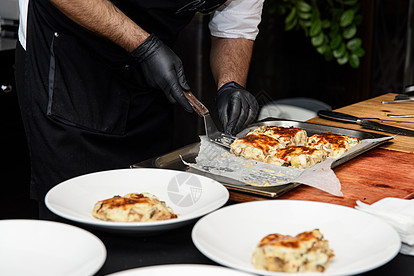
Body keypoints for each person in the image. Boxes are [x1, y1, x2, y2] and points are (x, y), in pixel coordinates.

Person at [15, 0, 263, 215]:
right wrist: (145, 48)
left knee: (151, 204)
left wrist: (229, 83)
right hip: (72, 62)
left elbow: (235, 25)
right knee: (77, 209)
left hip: (149, 73)